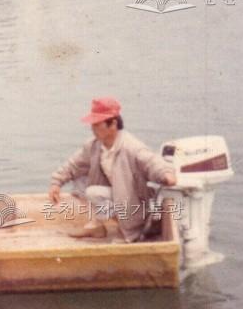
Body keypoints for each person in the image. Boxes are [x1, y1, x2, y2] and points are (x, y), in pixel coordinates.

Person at [48, 97, 176, 241]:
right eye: (92, 124)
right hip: (117, 194)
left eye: (97, 124)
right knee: (79, 180)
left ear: (113, 124)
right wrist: (56, 183)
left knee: (92, 192)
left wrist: (166, 174)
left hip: (134, 203)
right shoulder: (94, 145)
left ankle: (127, 227)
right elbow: (74, 165)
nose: (92, 128)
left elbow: (152, 163)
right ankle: (96, 226)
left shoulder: (131, 147)